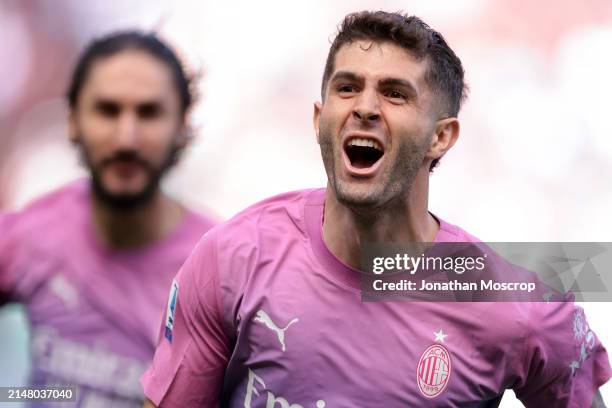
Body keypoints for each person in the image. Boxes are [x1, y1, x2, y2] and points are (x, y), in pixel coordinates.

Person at [141, 11, 611, 407]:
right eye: (347, 88)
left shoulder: (512, 305)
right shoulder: (231, 258)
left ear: (441, 136)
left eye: (394, 93)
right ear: (317, 119)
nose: (365, 107)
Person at [0, 31, 216, 407]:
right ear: (72, 120)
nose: (126, 137)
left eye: (149, 113)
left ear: (182, 127)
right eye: (108, 110)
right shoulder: (32, 234)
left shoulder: (217, 267)